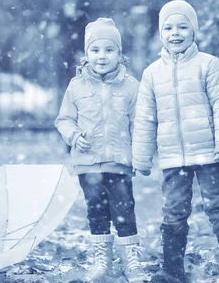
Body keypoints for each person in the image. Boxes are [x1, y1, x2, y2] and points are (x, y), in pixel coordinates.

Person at [132, 0, 219, 283]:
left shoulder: (208, 64)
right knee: (173, 212)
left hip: (209, 155)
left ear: (193, 31)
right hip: (172, 158)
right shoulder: (152, 73)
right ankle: (172, 272)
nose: (175, 33)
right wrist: (142, 158)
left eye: (183, 26)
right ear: (161, 33)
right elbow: (145, 119)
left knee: (218, 206)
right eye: (168, 27)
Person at [55, 18, 148, 282]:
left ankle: (132, 261)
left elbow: (139, 124)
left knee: (124, 209)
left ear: (120, 54)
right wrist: (73, 136)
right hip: (88, 162)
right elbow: (63, 119)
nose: (102, 56)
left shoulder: (131, 87)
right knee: (95, 209)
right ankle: (101, 261)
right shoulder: (76, 86)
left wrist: (140, 156)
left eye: (109, 50)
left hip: (119, 161)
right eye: (95, 50)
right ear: (86, 55)